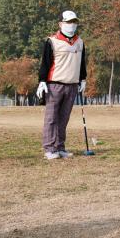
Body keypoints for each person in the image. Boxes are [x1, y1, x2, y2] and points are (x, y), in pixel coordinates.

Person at [37, 10, 87, 160]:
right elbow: (45, 63)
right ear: (60, 24)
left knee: (64, 118)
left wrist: (83, 79)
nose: (72, 25)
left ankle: (60, 147)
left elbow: (82, 63)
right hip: (55, 85)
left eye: (74, 22)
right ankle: (50, 148)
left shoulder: (80, 42)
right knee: (51, 118)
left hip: (72, 85)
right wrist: (42, 81)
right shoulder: (51, 41)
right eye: (68, 22)